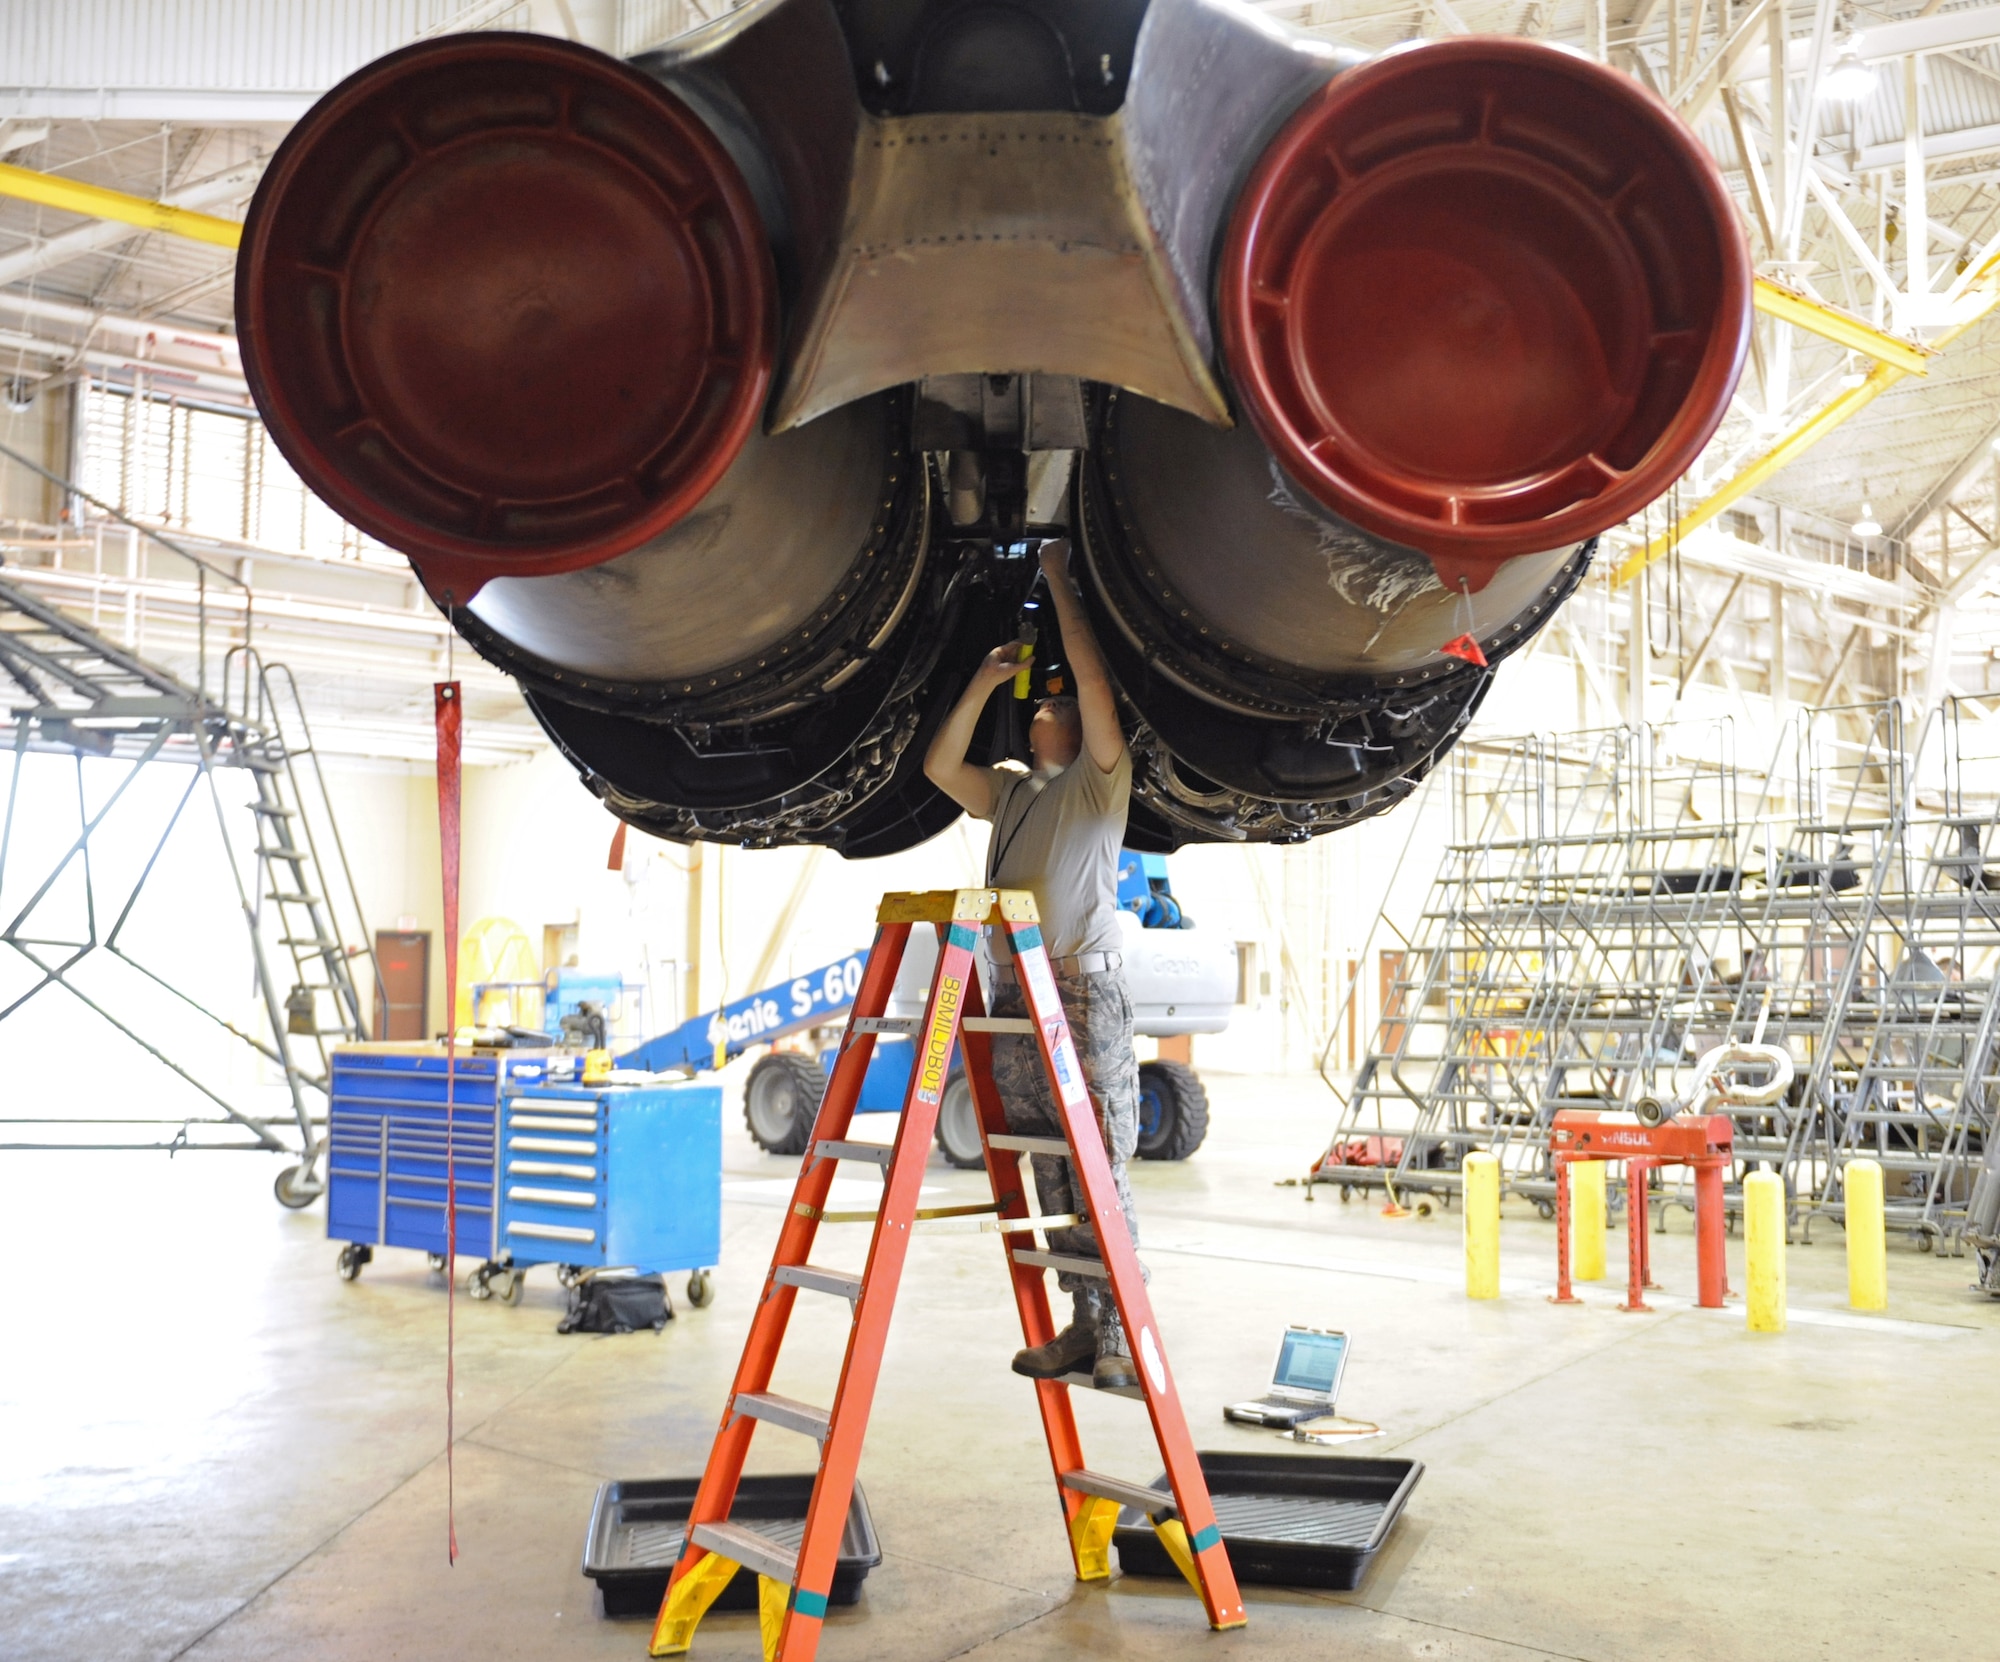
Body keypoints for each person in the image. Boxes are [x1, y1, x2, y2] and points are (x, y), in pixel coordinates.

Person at [922, 538, 1145, 1390]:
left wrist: (1058, 581)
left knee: (1098, 1163)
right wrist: (982, 680)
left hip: (1081, 988)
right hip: (1016, 987)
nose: (1048, 708)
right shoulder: (1013, 791)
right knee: (1050, 1163)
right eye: (1040, 700)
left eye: (1060, 701)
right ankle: (1083, 1326)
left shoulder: (1100, 783)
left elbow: (1091, 683)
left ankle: (1122, 1330)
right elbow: (942, 767)